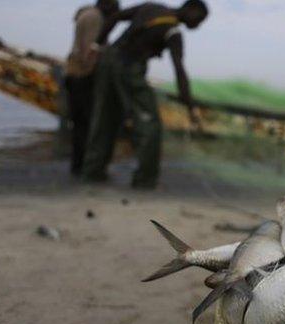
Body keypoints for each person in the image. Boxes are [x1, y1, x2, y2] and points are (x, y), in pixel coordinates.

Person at [82, 0, 208, 189]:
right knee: (150, 125)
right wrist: (190, 106)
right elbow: (179, 70)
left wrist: (96, 46)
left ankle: (93, 172)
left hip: (108, 60)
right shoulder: (173, 32)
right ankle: (145, 180)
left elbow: (116, 17)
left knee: (104, 118)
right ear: (191, 10)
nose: (198, 25)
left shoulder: (152, 7)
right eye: (199, 20)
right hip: (129, 68)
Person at [65, 0, 120, 175]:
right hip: (83, 77)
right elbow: (90, 52)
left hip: (75, 75)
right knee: (89, 125)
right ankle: (87, 168)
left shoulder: (86, 15)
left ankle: (79, 166)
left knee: (80, 125)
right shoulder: (95, 18)